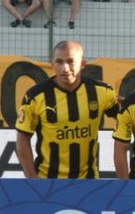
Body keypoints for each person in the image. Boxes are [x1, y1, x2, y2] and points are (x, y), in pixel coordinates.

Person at [15, 41, 119, 179]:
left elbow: (127, 117)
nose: (65, 68)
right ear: (52, 64)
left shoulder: (102, 92)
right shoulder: (35, 96)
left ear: (82, 64)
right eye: (59, 62)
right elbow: (22, 139)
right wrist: (33, 181)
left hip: (89, 181)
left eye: (71, 61)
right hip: (47, 182)